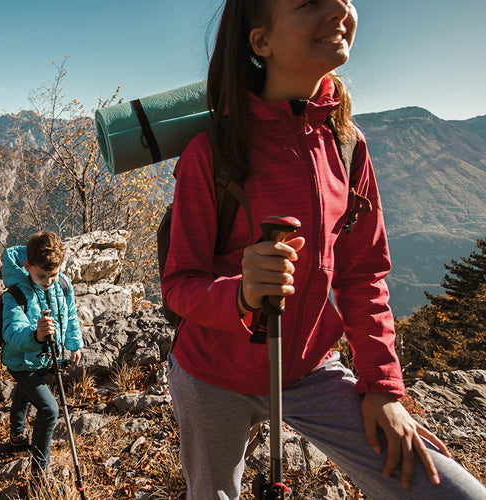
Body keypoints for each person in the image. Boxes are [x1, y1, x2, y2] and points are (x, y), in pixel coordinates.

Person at [161, 1, 486, 499]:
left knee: (449, 491)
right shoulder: (212, 152)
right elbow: (179, 284)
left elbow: (365, 273)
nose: (339, 9)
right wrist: (242, 294)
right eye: (310, 1)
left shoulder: (348, 146)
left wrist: (382, 385)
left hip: (310, 368)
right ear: (260, 41)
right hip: (211, 376)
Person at [0, 230, 83, 477]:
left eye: (53, 274)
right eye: (41, 275)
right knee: (49, 409)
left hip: (46, 358)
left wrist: (73, 343)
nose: (48, 281)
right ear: (27, 266)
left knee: (26, 393)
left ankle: (16, 434)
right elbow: (11, 333)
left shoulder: (64, 285)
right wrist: (35, 336)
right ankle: (39, 471)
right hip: (20, 360)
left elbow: (70, 316)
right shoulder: (14, 294)